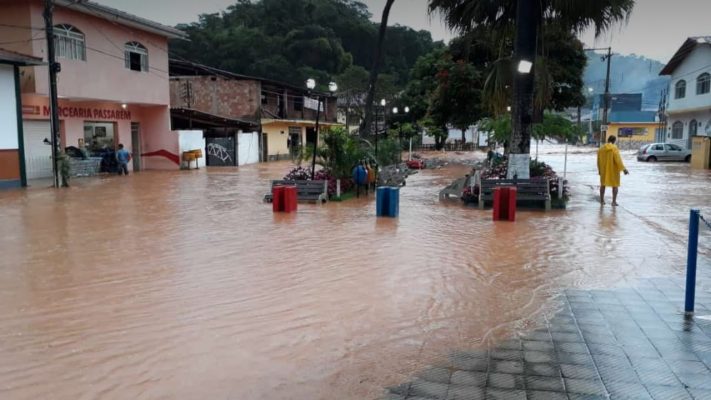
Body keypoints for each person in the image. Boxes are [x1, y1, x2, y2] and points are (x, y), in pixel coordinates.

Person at [597, 135, 628, 206]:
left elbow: (598, 161)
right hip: (613, 170)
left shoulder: (601, 149)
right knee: (615, 186)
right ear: (614, 141)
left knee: (602, 185)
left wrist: (599, 170)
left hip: (604, 170)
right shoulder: (614, 148)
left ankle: (602, 201)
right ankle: (613, 202)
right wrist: (624, 169)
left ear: (608, 140)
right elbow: (618, 160)